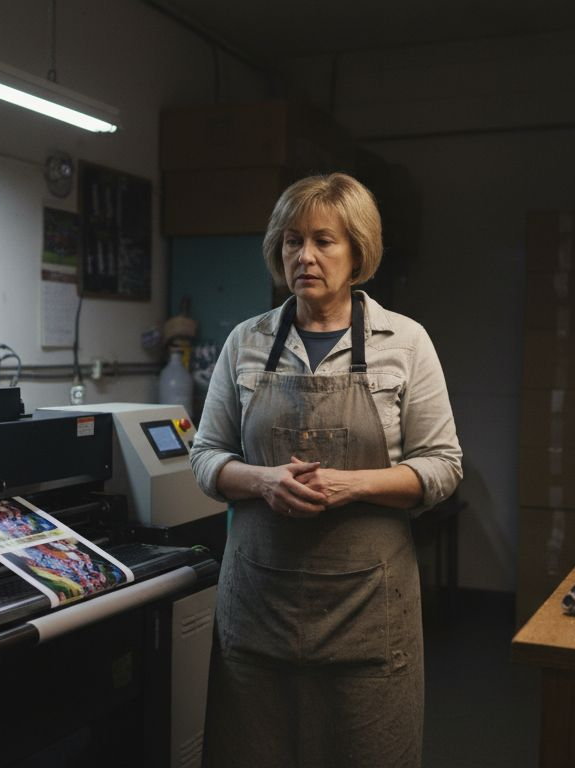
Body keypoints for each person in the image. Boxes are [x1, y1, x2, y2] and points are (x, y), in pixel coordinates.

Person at [189, 173, 463, 768]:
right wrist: (263, 480)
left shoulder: (405, 343)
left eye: (323, 241)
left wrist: (350, 485)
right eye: (291, 242)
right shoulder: (246, 342)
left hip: (366, 614)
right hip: (258, 608)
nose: (304, 256)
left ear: (358, 249)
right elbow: (205, 455)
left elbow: (442, 467)